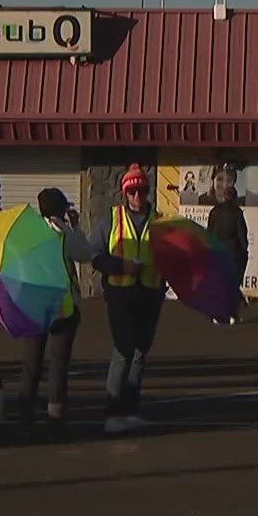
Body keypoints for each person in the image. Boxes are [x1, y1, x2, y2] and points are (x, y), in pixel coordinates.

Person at [91, 164, 166, 434]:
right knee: (122, 352)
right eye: (133, 191)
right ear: (125, 193)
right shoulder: (111, 219)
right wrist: (121, 266)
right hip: (120, 292)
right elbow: (95, 255)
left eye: (142, 190)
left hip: (149, 291)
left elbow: (173, 257)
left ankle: (131, 410)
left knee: (140, 354)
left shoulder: (159, 220)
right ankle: (112, 413)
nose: (138, 196)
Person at [21, 188, 93, 437]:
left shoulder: (28, 234)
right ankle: (55, 412)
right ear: (61, 209)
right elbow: (85, 254)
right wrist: (75, 226)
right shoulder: (64, 234)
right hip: (63, 308)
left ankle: (25, 414)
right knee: (58, 363)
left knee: (32, 363)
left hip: (34, 306)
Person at [204, 164, 250, 296]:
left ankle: (216, 314)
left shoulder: (215, 211)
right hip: (233, 253)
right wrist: (244, 251)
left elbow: (209, 233)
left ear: (224, 196)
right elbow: (242, 234)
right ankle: (231, 313)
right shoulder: (237, 213)